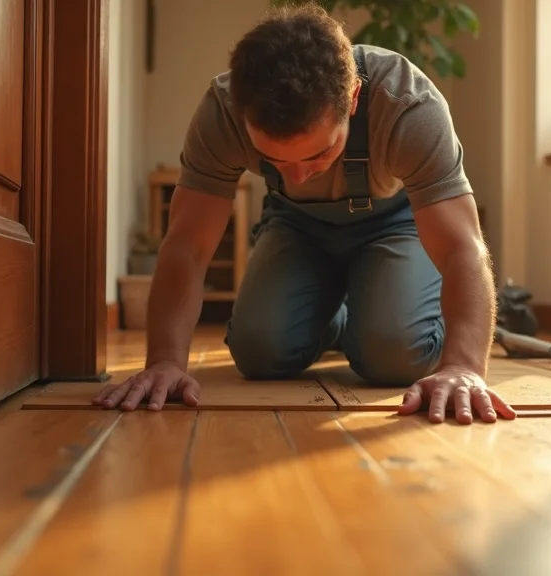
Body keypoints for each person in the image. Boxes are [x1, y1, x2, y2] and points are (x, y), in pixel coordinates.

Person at [93, 3, 516, 425]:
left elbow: (463, 247)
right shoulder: (222, 112)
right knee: (260, 350)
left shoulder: (407, 105)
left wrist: (464, 366)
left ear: (352, 99)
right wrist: (165, 361)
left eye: (319, 153)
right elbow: (187, 246)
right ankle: (336, 316)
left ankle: (391, 311)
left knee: (393, 354)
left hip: (395, 226)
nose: (296, 177)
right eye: (272, 160)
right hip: (296, 227)